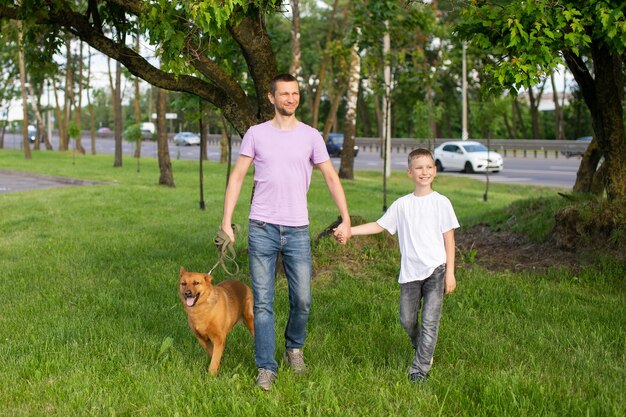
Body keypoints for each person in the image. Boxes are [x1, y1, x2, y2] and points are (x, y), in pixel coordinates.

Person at [220, 73, 351, 391]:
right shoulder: (256, 134)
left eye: (295, 93)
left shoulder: (311, 136)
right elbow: (238, 176)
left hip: (296, 229)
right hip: (262, 227)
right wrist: (226, 221)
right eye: (284, 94)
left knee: (302, 299)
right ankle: (266, 367)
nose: (290, 98)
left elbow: (331, 177)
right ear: (271, 98)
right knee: (263, 303)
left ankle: (294, 348)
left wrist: (345, 218)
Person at [335, 148, 458, 383]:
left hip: (436, 270)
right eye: (419, 168)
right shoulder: (402, 205)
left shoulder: (442, 203)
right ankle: (421, 345)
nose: (425, 172)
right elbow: (379, 226)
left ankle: (420, 368)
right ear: (410, 173)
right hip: (410, 273)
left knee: (431, 321)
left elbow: (449, 240)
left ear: (435, 170)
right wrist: (350, 231)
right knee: (407, 320)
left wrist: (450, 273)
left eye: (429, 167)